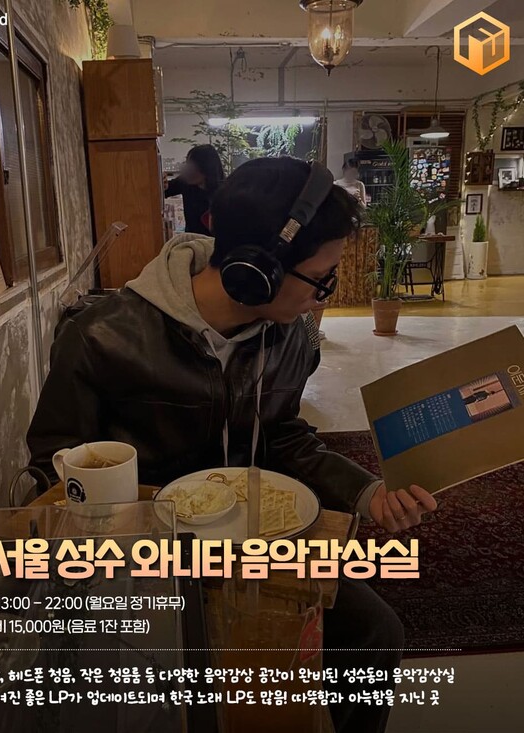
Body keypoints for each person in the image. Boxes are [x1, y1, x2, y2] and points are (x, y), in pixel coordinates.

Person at [27, 156, 437, 733]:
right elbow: (52, 464)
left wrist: (367, 493)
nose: (324, 298)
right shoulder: (100, 336)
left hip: (257, 542)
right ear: (257, 271)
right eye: (320, 278)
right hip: (144, 554)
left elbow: (284, 435)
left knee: (374, 633)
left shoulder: (290, 336)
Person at [164, 143, 225, 235]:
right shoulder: (184, 182)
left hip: (214, 241)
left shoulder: (224, 193)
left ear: (206, 168)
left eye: (192, 167)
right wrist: (162, 183)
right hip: (191, 240)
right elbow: (162, 191)